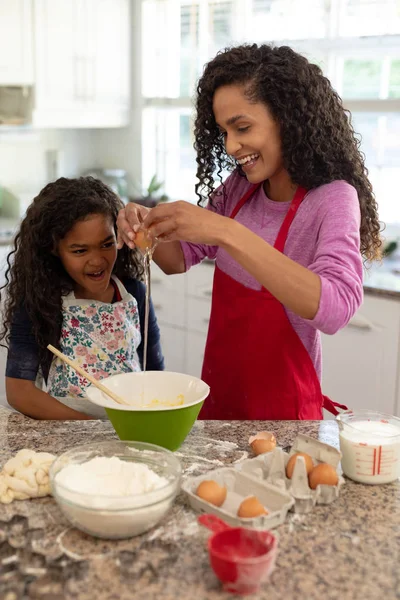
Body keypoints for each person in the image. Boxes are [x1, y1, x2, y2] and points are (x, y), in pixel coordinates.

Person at [117, 44, 381, 420]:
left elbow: (336, 308)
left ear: (288, 118)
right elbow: (177, 260)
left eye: (242, 128)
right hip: (220, 404)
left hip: (285, 418)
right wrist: (145, 226)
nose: (230, 145)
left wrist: (226, 232)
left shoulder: (332, 198)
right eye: (224, 131)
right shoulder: (240, 188)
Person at [0, 177, 164, 420]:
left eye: (107, 244)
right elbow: (19, 392)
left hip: (128, 428)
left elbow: (155, 374)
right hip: (66, 430)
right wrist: (87, 426)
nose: (97, 260)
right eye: (80, 250)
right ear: (54, 249)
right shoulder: (41, 301)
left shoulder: (135, 294)